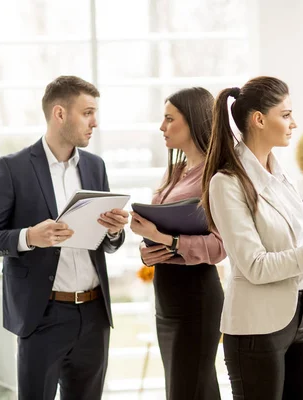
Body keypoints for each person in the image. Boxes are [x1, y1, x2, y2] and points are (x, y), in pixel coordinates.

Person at [202, 76, 303, 400]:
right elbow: (255, 266)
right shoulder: (227, 183)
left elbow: (295, 243)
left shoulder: (278, 173)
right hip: (257, 326)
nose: (294, 123)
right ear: (259, 120)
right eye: (286, 114)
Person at [0, 76, 129, 399]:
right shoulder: (13, 168)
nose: (94, 122)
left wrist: (114, 231)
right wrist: (29, 237)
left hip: (94, 314)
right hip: (43, 316)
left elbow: (107, 243)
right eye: (87, 113)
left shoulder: (95, 167)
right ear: (59, 114)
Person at [129, 87, 227, 400]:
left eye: (170, 119)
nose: (162, 127)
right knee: (194, 388)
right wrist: (148, 251)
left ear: (194, 121)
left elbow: (220, 247)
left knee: (188, 390)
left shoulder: (216, 177)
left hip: (196, 297)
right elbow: (162, 239)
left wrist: (166, 239)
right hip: (167, 298)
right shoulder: (176, 172)